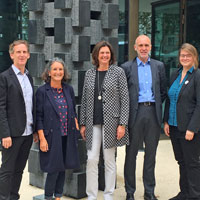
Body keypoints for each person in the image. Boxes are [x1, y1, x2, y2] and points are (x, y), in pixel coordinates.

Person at [80, 40, 129, 200]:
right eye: (102, 53)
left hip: (112, 123)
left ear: (111, 55)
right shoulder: (89, 74)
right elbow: (85, 99)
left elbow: (125, 99)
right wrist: (82, 123)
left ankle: (108, 195)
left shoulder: (118, 72)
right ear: (96, 55)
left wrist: (122, 124)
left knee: (109, 160)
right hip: (92, 122)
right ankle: (91, 196)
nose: (105, 55)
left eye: (107, 53)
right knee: (92, 159)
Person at [121, 35, 167, 200]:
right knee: (131, 154)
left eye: (146, 45)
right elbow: (123, 94)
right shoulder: (126, 67)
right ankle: (130, 192)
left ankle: (149, 191)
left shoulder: (159, 66)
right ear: (135, 47)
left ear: (150, 46)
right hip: (135, 114)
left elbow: (162, 91)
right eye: (140, 45)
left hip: (153, 113)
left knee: (151, 155)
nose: (143, 48)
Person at [36, 57, 80, 200]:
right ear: (49, 72)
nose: (58, 72)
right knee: (53, 169)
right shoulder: (42, 91)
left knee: (62, 169)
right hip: (50, 136)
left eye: (60, 69)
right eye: (55, 69)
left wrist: (77, 128)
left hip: (67, 135)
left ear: (64, 72)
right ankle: (48, 196)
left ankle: (58, 196)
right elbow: (39, 117)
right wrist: (42, 139)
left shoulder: (69, 89)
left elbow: (72, 110)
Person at [0, 40, 36, 200]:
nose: (21, 55)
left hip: (27, 133)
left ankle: (14, 197)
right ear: (11, 55)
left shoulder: (29, 77)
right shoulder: (4, 78)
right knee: (7, 171)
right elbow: (1, 108)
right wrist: (5, 134)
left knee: (19, 170)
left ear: (28, 55)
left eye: (24, 52)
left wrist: (34, 130)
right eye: (18, 52)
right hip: (11, 135)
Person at [163, 43, 200, 200]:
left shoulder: (197, 75)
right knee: (181, 161)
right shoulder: (175, 75)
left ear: (194, 57)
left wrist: (192, 128)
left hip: (188, 128)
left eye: (188, 55)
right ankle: (184, 192)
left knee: (192, 164)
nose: (185, 58)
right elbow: (170, 100)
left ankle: (194, 195)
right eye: (182, 55)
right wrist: (166, 122)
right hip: (174, 126)